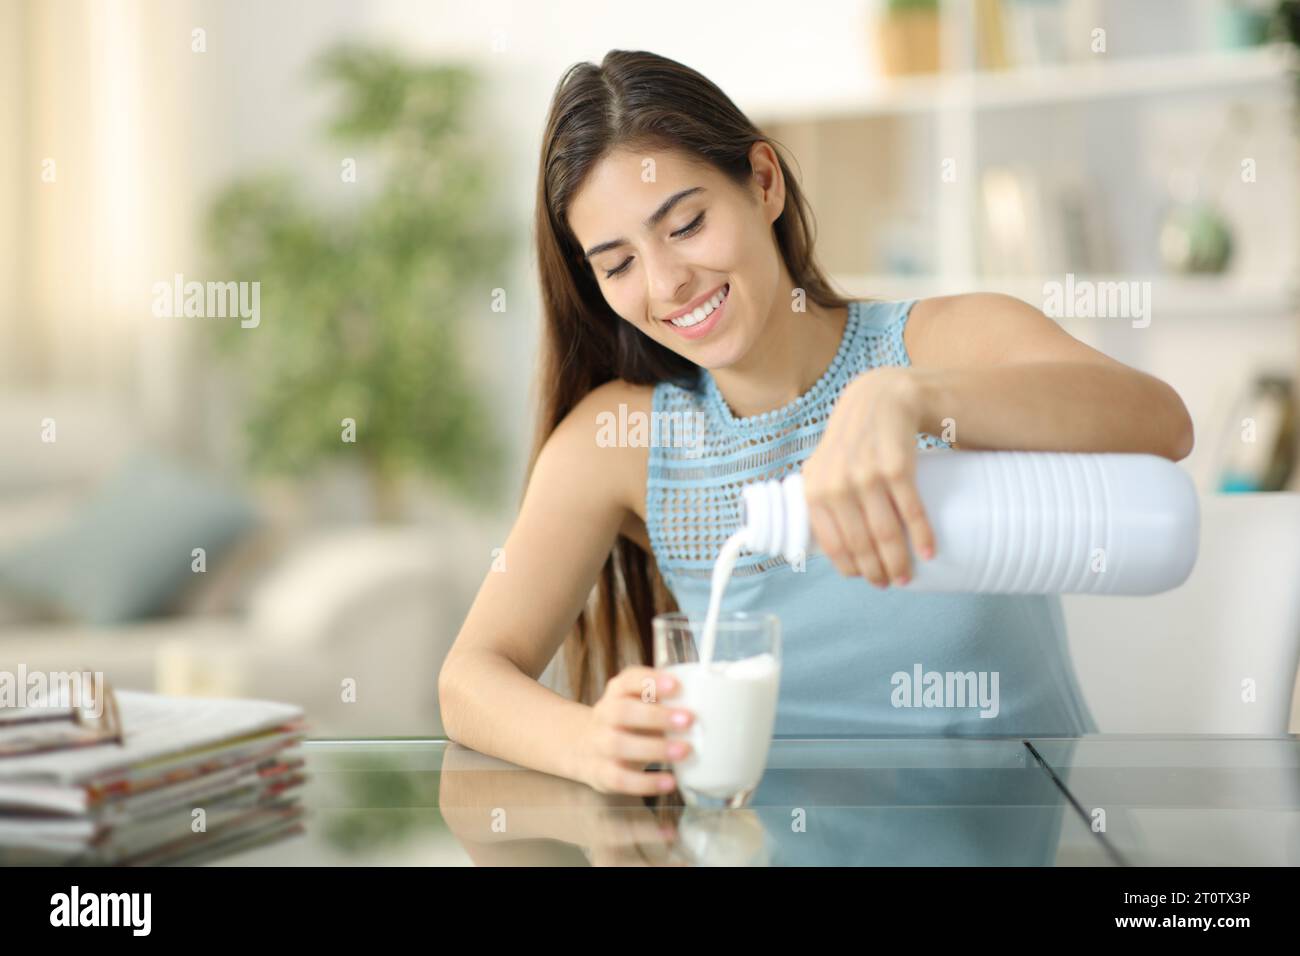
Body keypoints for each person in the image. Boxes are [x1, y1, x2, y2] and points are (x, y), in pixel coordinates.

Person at [438, 50, 1194, 797]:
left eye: (687, 223)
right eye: (617, 264)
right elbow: (469, 679)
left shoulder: (942, 345)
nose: (667, 283)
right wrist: (587, 741)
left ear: (762, 183)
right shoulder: (624, 441)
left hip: (1016, 833)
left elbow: (1162, 423)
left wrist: (912, 398)